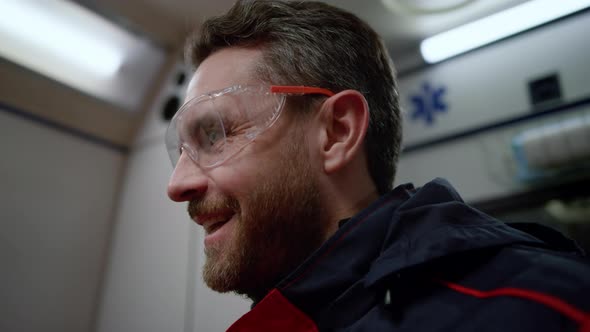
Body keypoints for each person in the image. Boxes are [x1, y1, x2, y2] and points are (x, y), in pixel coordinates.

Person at [165, 1, 590, 331]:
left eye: (216, 135)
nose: (177, 183)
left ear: (336, 133)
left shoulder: (547, 310)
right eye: (181, 149)